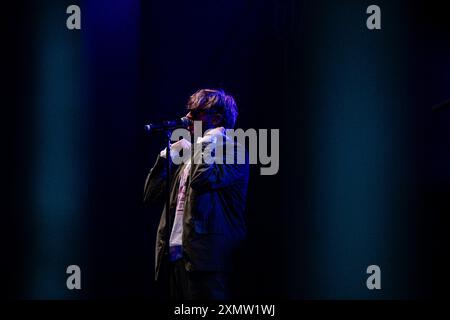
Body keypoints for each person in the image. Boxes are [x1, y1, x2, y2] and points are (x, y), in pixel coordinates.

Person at [143, 89, 249, 300]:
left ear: (217, 118)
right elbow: (151, 194)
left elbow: (202, 179)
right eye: (188, 111)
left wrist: (206, 141)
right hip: (175, 255)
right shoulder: (193, 154)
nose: (187, 117)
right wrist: (168, 156)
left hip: (207, 259)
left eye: (196, 112)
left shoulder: (233, 151)